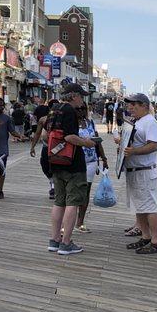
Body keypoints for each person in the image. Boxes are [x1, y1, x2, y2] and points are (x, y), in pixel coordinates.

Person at [46, 83, 95, 255]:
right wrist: (87, 142)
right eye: (81, 96)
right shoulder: (69, 111)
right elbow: (69, 136)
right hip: (72, 163)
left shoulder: (54, 109)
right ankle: (66, 242)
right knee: (72, 202)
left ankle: (54, 240)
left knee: (59, 201)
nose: (82, 100)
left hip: (55, 161)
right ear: (74, 96)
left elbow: (47, 135)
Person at [121, 93, 157, 254]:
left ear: (144, 105)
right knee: (140, 206)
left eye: (134, 105)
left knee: (150, 207)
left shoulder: (150, 122)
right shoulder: (138, 121)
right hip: (134, 170)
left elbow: (154, 145)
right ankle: (145, 236)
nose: (130, 108)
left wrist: (134, 151)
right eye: (129, 105)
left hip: (145, 171)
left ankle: (155, 240)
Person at [76, 103, 108, 233]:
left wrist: (104, 158)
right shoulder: (70, 123)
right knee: (73, 191)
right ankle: (68, 222)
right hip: (75, 162)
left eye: (83, 108)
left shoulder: (90, 122)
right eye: (78, 108)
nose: (81, 111)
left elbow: (97, 141)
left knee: (85, 192)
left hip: (91, 161)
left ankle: (80, 222)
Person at [0, 97, 28, 199]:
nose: (2, 107)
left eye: (3, 105)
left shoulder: (7, 118)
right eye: (0, 105)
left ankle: (0, 190)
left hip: (2, 149)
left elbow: (12, 131)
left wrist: (20, 136)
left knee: (1, 171)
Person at [30, 99, 60, 199]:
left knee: (56, 167)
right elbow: (38, 133)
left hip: (58, 147)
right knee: (45, 166)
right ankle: (53, 182)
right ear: (50, 108)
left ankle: (54, 187)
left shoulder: (62, 118)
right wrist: (32, 146)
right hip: (46, 146)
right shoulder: (43, 119)